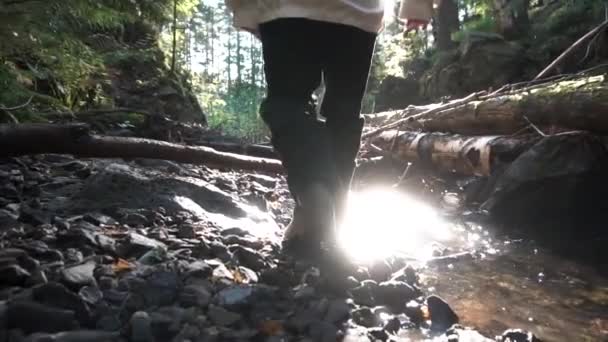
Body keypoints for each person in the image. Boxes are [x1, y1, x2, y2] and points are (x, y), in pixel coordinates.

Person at [225, 0, 438, 255]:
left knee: (287, 104)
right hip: (359, 13)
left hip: (288, 9)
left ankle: (315, 192)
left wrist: (244, 9)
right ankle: (332, 208)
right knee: (343, 115)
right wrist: (418, 6)